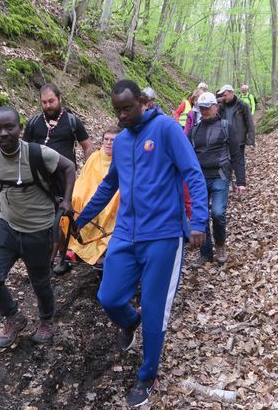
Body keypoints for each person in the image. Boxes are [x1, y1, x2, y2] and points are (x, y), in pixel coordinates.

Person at [75, 80, 208, 407]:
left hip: (163, 236)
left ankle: (147, 375)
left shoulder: (165, 129)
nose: (122, 115)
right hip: (125, 235)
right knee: (109, 296)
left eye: (127, 108)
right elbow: (110, 186)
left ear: (142, 102)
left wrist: (200, 221)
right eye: (117, 109)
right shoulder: (120, 143)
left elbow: (193, 173)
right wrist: (77, 220)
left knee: (154, 309)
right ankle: (131, 323)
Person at [0, 106, 75, 347]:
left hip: (39, 229)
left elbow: (69, 168)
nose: (3, 133)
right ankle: (13, 317)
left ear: (19, 129)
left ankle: (46, 321)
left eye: (9, 127)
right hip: (8, 226)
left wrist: (66, 200)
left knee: (40, 281)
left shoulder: (38, 153)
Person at [23, 82, 93, 273]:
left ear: (60, 98)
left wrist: (88, 169)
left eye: (51, 101)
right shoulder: (34, 123)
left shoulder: (71, 121)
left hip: (65, 179)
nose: (48, 105)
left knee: (63, 218)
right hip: (39, 180)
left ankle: (64, 256)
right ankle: (50, 256)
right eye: (44, 102)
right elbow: (24, 149)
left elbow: (87, 145)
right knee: (43, 219)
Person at [189, 92, 246, 266]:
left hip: (221, 175)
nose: (205, 111)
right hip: (199, 178)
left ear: (215, 107)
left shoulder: (226, 126)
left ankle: (220, 245)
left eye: (208, 107)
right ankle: (205, 253)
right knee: (202, 215)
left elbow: (236, 155)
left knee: (218, 213)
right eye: (202, 108)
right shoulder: (194, 130)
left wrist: (241, 182)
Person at [63, 126, 122, 266]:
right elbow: (84, 179)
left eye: (112, 140)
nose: (108, 143)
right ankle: (73, 248)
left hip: (111, 197)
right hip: (92, 194)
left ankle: (102, 250)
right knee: (76, 202)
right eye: (106, 139)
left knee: (109, 209)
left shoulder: (122, 160)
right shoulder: (95, 157)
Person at [216, 84, 255, 169]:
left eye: (225, 95)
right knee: (226, 161)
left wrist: (251, 139)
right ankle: (228, 180)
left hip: (238, 139)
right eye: (222, 95)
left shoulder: (242, 105)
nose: (223, 97)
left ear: (231, 93)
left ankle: (241, 182)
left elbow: (249, 122)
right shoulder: (222, 106)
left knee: (239, 162)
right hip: (225, 139)